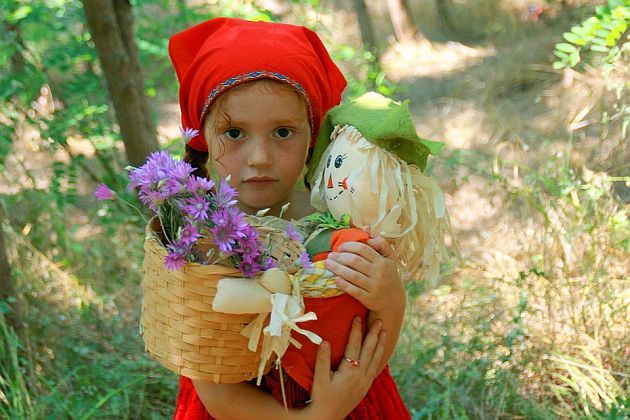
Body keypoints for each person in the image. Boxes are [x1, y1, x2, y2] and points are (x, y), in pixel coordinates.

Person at [168, 17, 408, 419]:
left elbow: (371, 341)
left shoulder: (335, 218)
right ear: (202, 138)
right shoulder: (198, 240)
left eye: (283, 132)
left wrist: (390, 298)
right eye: (234, 133)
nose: (259, 158)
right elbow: (217, 391)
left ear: (312, 135)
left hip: (349, 398)